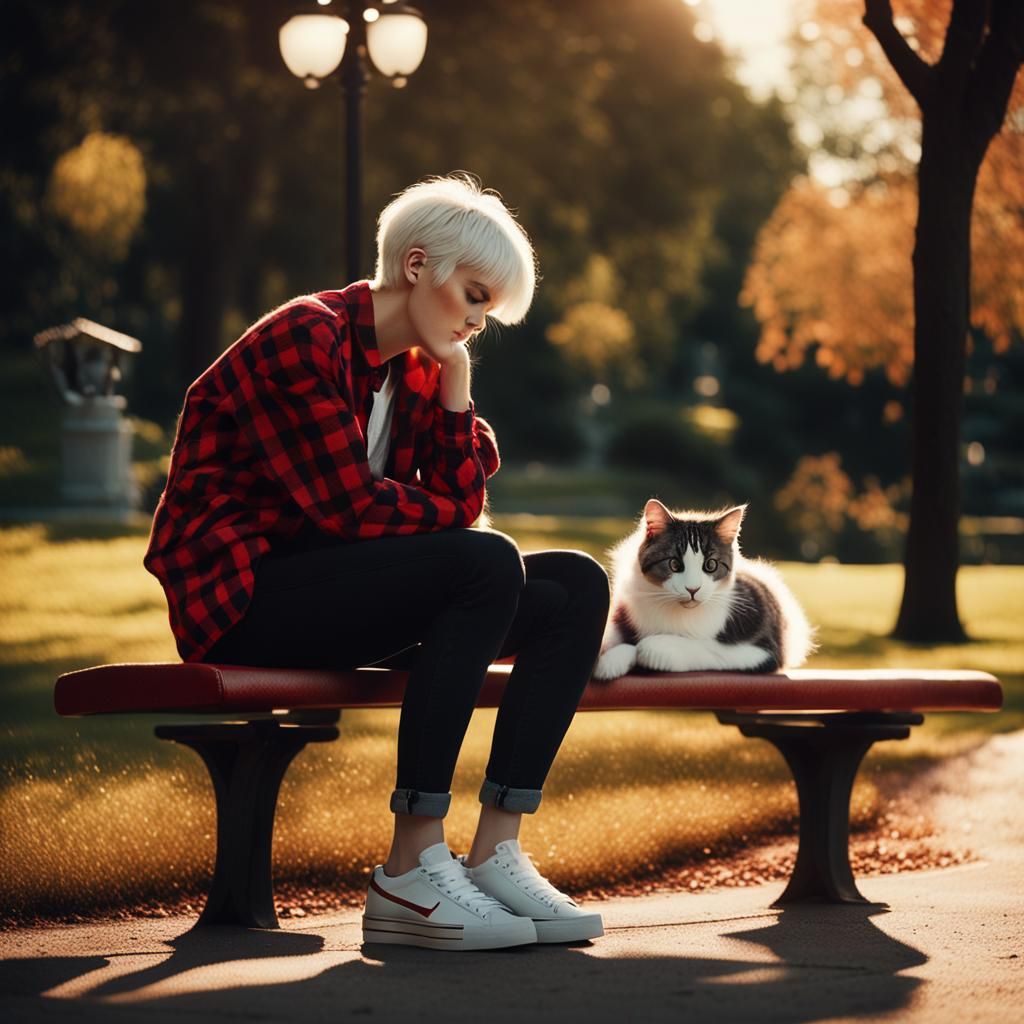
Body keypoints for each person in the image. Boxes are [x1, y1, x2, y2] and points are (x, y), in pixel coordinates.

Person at [144, 173, 610, 951]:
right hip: (245, 604)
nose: (476, 320)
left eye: (489, 308)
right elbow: (351, 512)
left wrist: (457, 394)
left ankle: (496, 852)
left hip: (338, 594)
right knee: (488, 563)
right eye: (473, 293)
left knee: (572, 585)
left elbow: (455, 505)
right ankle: (410, 867)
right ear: (418, 265)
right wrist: (425, 513)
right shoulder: (306, 338)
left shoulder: (423, 366)